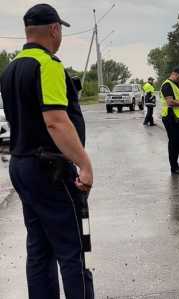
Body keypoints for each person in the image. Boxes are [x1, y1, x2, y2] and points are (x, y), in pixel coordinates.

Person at [0, 4, 94, 298]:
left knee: (39, 248)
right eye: (60, 30)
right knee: (72, 248)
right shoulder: (47, 65)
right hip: (49, 168)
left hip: (21, 164)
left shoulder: (11, 68)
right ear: (54, 29)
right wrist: (85, 165)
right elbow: (56, 122)